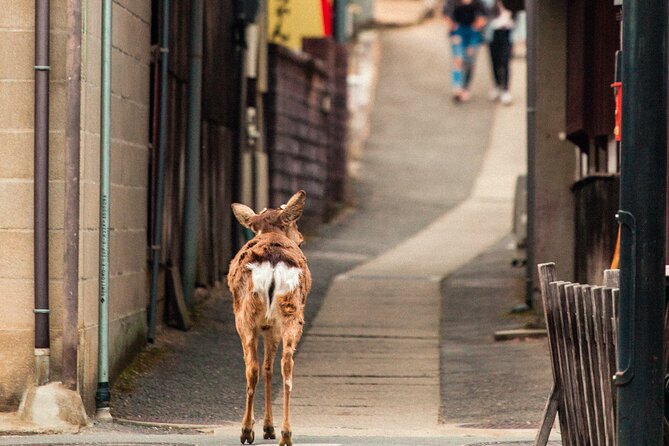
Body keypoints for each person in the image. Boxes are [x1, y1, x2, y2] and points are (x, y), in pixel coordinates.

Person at [443, 0, 488, 102]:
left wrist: (478, 25)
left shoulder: (478, 3)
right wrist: (453, 29)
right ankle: (457, 87)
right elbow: (446, 14)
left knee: (469, 62)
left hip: (473, 34)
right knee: (458, 59)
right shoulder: (452, 2)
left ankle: (465, 88)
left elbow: (484, 16)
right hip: (458, 32)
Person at [486, 0, 515, 105]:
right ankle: (497, 85)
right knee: (494, 60)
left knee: (505, 60)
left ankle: (505, 89)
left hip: (507, 31)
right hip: (493, 32)